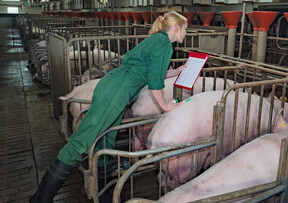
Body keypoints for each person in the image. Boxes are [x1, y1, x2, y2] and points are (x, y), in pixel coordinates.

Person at [30, 11, 188, 203]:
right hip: (116, 93)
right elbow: (155, 85)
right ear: (176, 28)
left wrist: (177, 72)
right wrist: (166, 107)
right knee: (79, 144)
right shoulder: (164, 44)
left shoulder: (157, 40)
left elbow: (152, 73)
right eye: (185, 29)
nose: (186, 34)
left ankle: (104, 196)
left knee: (105, 141)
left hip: (112, 87)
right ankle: (40, 199)